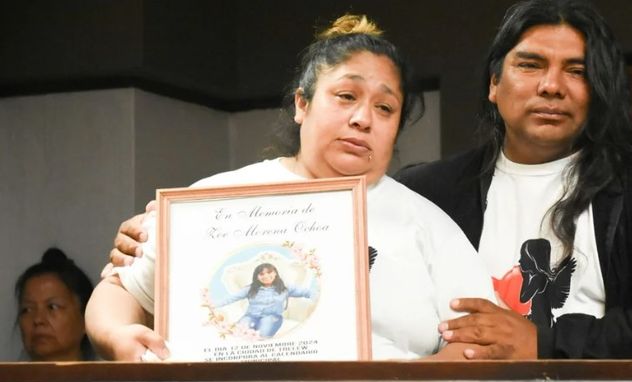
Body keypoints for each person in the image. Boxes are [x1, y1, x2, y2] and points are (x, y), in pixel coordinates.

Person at [85, 14, 495, 361]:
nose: (362, 118)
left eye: (384, 108)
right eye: (346, 96)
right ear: (302, 104)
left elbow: (480, 337)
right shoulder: (219, 199)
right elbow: (120, 290)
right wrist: (116, 334)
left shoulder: (425, 222)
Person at [396, 0, 632, 358]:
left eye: (577, 71)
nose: (552, 86)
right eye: (530, 65)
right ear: (494, 84)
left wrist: (544, 343)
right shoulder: (427, 193)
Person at [15, 248, 95, 361]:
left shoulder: (110, 378)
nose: (38, 320)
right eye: (27, 309)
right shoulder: (6, 378)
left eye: (52, 307)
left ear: (86, 318)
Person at [211, 263, 314, 338]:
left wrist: (320, 299)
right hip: (250, 316)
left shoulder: (285, 287)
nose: (266, 276)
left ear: (275, 273)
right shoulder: (250, 288)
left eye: (269, 272)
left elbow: (306, 292)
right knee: (239, 334)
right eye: (261, 274)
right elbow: (232, 298)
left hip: (272, 317)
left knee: (262, 335)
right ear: (257, 276)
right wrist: (211, 305)